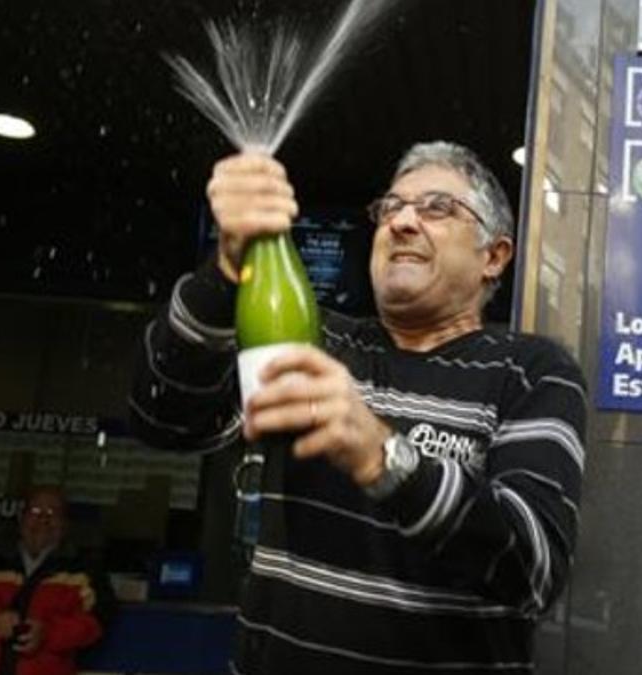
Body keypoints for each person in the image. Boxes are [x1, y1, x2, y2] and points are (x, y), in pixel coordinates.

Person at [130, 141, 588, 673]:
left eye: (437, 207)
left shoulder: (532, 372)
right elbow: (164, 419)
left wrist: (384, 456)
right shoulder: (315, 339)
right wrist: (224, 270)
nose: (402, 222)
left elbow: (534, 571)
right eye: (390, 207)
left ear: (494, 256)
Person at [0, 486, 116, 675]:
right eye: (35, 511)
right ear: (21, 519)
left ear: (65, 524)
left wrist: (48, 633)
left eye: (53, 513)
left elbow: (97, 621)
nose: (43, 519)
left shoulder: (84, 572)